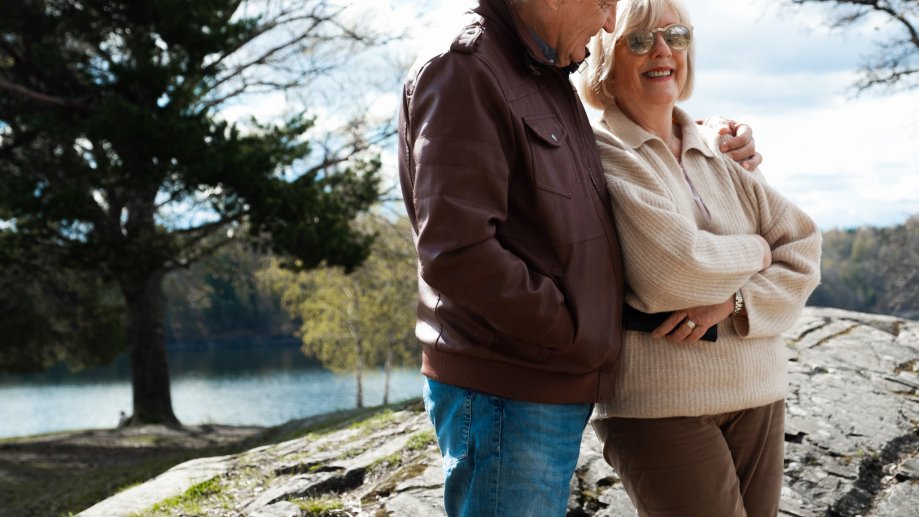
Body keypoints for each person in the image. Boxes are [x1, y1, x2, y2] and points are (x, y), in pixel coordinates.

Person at [398, 0, 760, 515]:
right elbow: (457, 252)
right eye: (605, 4)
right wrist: (570, 331)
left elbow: (610, 149)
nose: (610, 22)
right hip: (508, 389)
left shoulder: (536, 67)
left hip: (541, 381)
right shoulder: (465, 67)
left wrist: (710, 133)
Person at [578, 0, 822, 515]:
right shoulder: (603, 152)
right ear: (605, 58)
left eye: (676, 35)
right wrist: (758, 250)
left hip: (758, 388)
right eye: (640, 40)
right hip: (662, 405)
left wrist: (734, 302)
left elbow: (801, 247)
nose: (663, 50)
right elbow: (674, 269)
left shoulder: (719, 147)